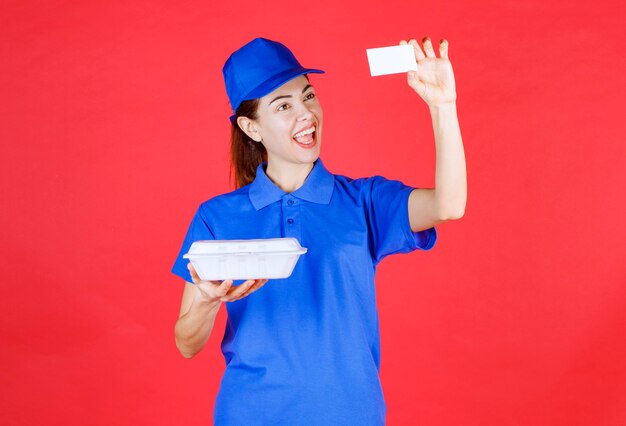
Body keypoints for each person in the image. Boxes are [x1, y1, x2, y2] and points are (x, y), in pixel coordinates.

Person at [171, 36, 466, 425]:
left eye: (308, 96)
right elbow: (186, 344)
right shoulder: (216, 217)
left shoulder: (364, 202)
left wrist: (443, 107)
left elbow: (449, 205)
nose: (306, 114)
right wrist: (207, 302)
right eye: (284, 106)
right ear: (251, 128)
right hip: (250, 414)